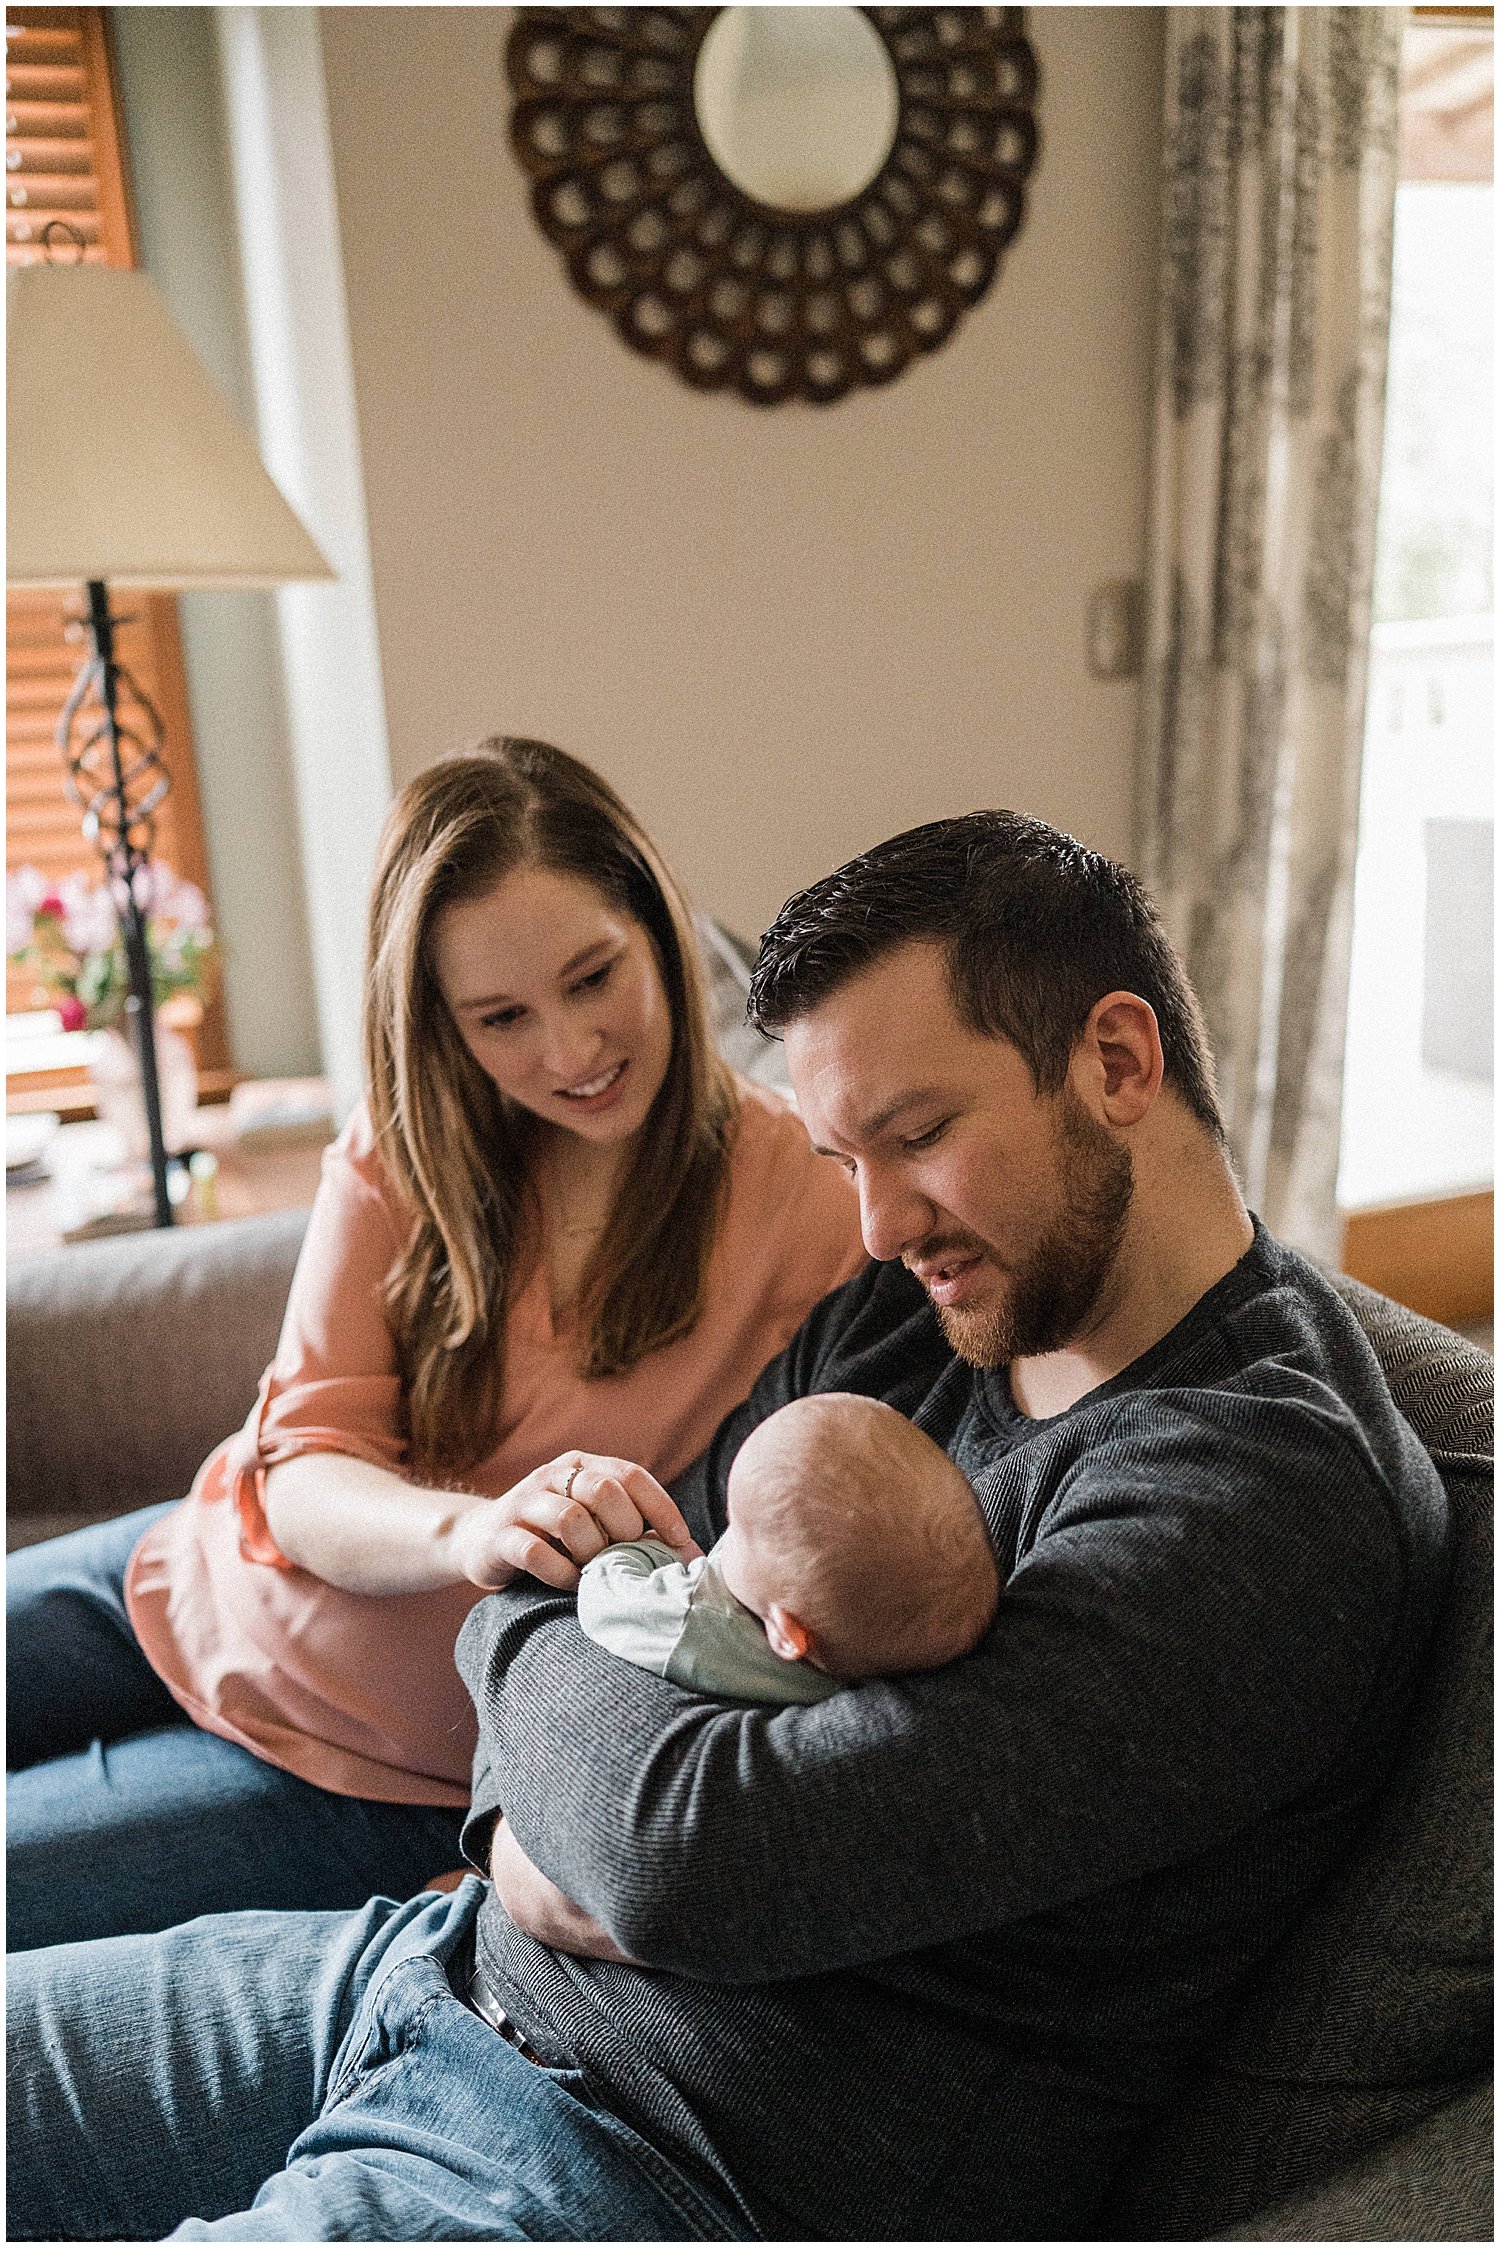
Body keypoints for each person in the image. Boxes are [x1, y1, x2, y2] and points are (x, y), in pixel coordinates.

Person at [7, 811, 1453, 2244]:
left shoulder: (1258, 1496)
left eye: (919, 1135)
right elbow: (568, 1570)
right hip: (423, 1968)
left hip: (650, 2164)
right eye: (842, 1159)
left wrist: (588, 1812)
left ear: (1118, 1061)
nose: (879, 1223)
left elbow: (686, 1854)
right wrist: (529, 1832)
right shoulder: (913, 1318)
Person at [5, 738, 863, 1951]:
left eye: (593, 976)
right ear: (443, 1026)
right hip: (185, 1574)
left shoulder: (810, 1198)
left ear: (655, 927)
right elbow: (299, 1467)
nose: (569, 1052)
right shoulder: (408, 1147)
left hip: (369, 1770)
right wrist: (469, 1526)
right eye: (502, 1017)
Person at [577, 1391, 998, 1703]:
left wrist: (642, 1551)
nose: (721, 1535)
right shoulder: (886, 1672)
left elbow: (605, 1599)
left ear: (786, 1633)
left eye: (738, 1529)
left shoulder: (697, 1619)